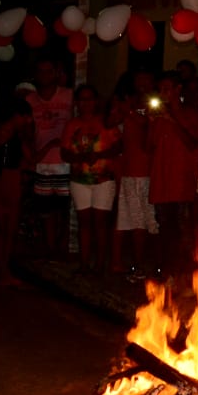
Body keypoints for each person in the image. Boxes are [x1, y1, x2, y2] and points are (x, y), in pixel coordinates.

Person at [146, 70, 198, 281]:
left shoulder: (190, 113)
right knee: (165, 230)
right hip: (161, 183)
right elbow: (150, 146)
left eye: (167, 89)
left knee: (184, 231)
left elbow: (193, 143)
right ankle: (168, 273)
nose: (163, 93)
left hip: (181, 184)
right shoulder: (158, 116)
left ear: (178, 90)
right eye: (160, 89)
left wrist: (171, 119)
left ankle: (186, 276)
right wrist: (153, 121)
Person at [60, 83, 121, 274]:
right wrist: (81, 158)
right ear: (77, 102)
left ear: (95, 101)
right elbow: (64, 152)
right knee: (84, 222)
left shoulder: (106, 122)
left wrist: (100, 156)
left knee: (101, 222)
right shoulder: (72, 124)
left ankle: (101, 263)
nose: (86, 103)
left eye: (89, 99)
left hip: (104, 179)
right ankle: (85, 263)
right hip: (80, 180)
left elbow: (119, 146)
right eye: (82, 99)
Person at [25, 57, 74, 259]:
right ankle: (50, 247)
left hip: (66, 160)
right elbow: (26, 132)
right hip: (42, 162)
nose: (45, 75)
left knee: (64, 208)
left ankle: (62, 246)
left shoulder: (69, 95)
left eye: (48, 71)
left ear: (56, 73)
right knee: (45, 209)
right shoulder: (30, 100)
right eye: (41, 71)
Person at [111, 70, 158, 279]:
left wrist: (130, 112)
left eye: (146, 79)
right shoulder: (127, 104)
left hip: (148, 172)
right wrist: (122, 109)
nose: (142, 83)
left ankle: (148, 265)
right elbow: (109, 124)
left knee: (147, 223)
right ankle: (125, 263)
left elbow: (147, 134)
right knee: (127, 221)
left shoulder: (156, 105)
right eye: (139, 79)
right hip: (129, 171)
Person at [0, 98, 33, 287]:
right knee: (3, 227)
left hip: (12, 179)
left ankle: (3, 269)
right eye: (26, 117)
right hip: (2, 180)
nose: (27, 121)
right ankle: (2, 270)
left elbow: (31, 158)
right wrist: (0, 187)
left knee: (9, 229)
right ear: (17, 116)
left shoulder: (18, 135)